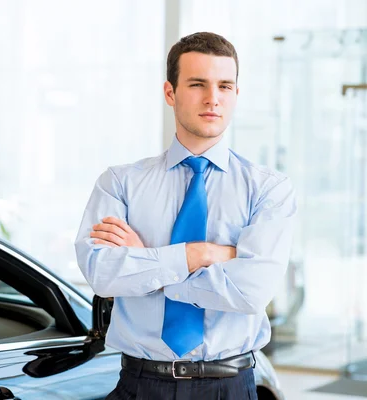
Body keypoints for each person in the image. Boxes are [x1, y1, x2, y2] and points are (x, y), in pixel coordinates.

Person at [74, 32, 296, 400]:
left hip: (231, 386)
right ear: (170, 92)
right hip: (139, 385)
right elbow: (103, 274)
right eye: (197, 84)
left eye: (225, 85)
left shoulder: (269, 189)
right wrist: (202, 254)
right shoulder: (120, 183)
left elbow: (250, 292)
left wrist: (148, 267)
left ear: (236, 94)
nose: (213, 98)